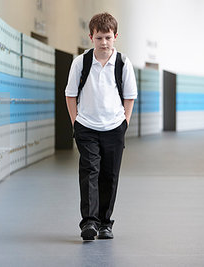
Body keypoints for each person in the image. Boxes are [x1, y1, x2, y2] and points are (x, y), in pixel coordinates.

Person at [65, 13, 137, 240]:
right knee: (89, 173)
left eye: (108, 37)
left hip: (114, 127)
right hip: (86, 127)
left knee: (109, 175)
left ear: (115, 36)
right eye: (99, 38)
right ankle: (89, 223)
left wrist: (124, 124)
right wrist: (75, 123)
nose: (104, 43)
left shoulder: (123, 63)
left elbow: (129, 97)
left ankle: (106, 223)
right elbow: (70, 94)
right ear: (91, 37)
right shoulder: (81, 62)